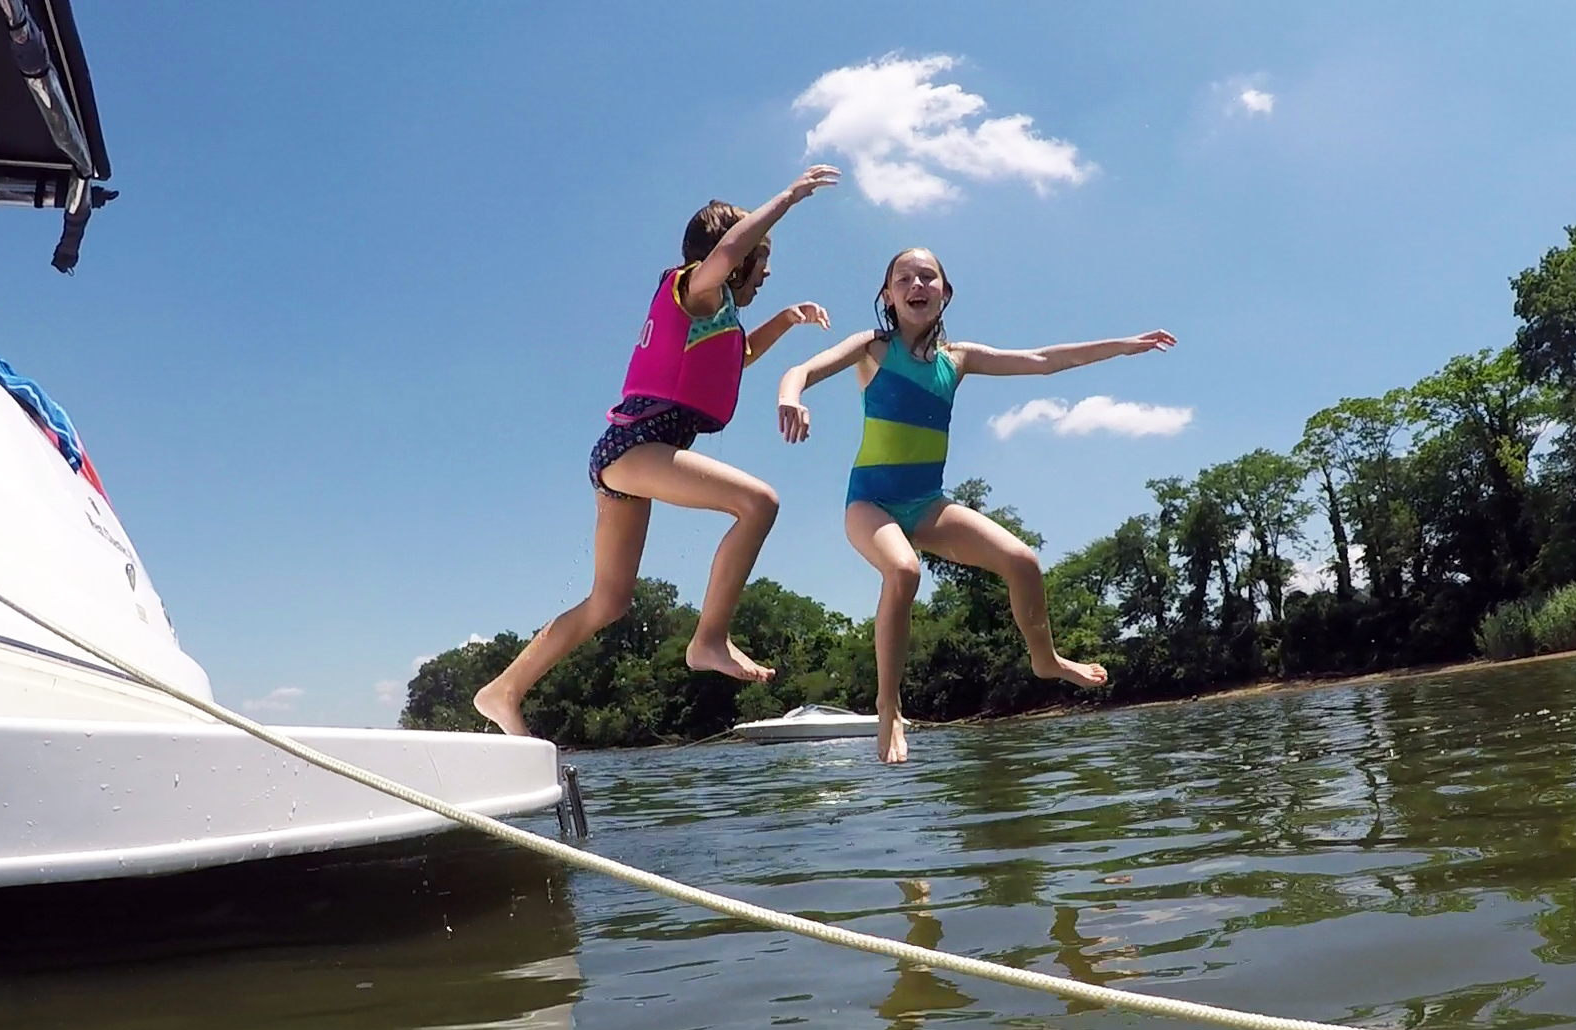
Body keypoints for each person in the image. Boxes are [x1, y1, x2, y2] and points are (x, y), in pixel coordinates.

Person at [473, 164, 841, 737]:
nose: (764, 274)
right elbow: (728, 255)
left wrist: (788, 320)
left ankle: (502, 691)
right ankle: (709, 639)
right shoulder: (695, 286)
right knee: (758, 503)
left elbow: (736, 358)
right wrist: (789, 198)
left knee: (609, 601)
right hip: (636, 445)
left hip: (627, 456)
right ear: (731, 256)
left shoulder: (714, 317)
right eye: (759, 263)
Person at [775, 247, 1175, 763]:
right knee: (903, 571)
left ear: (945, 293)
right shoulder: (871, 348)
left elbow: (1044, 361)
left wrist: (1120, 346)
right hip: (869, 502)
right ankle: (889, 706)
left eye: (928, 277)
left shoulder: (956, 360)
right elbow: (799, 370)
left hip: (926, 504)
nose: (916, 284)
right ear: (888, 296)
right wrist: (791, 397)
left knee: (1023, 561)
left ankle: (1047, 659)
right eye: (904, 278)